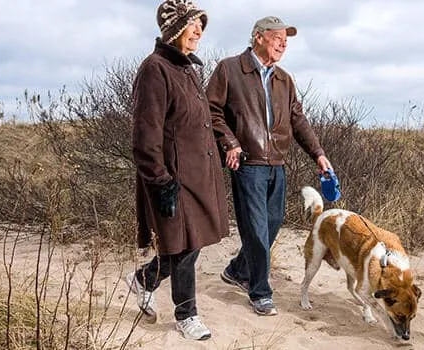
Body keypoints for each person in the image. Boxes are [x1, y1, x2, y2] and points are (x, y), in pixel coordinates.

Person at [207, 16, 333, 316]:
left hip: (277, 162)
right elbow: (210, 110)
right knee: (256, 229)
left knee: (273, 222)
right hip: (247, 162)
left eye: (286, 39)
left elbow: (298, 120)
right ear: (258, 37)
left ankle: (238, 269)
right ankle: (260, 291)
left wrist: (318, 153)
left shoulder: (284, 79)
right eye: (277, 37)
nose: (283, 42)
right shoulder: (229, 69)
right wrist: (230, 142)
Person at [126, 0, 228, 341]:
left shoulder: (188, 69)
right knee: (183, 246)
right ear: (174, 28)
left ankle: (143, 280)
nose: (199, 30)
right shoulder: (155, 68)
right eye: (192, 23)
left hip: (200, 177)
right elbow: (145, 134)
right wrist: (160, 180)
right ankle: (187, 315)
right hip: (174, 178)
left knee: (191, 243)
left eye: (201, 24)